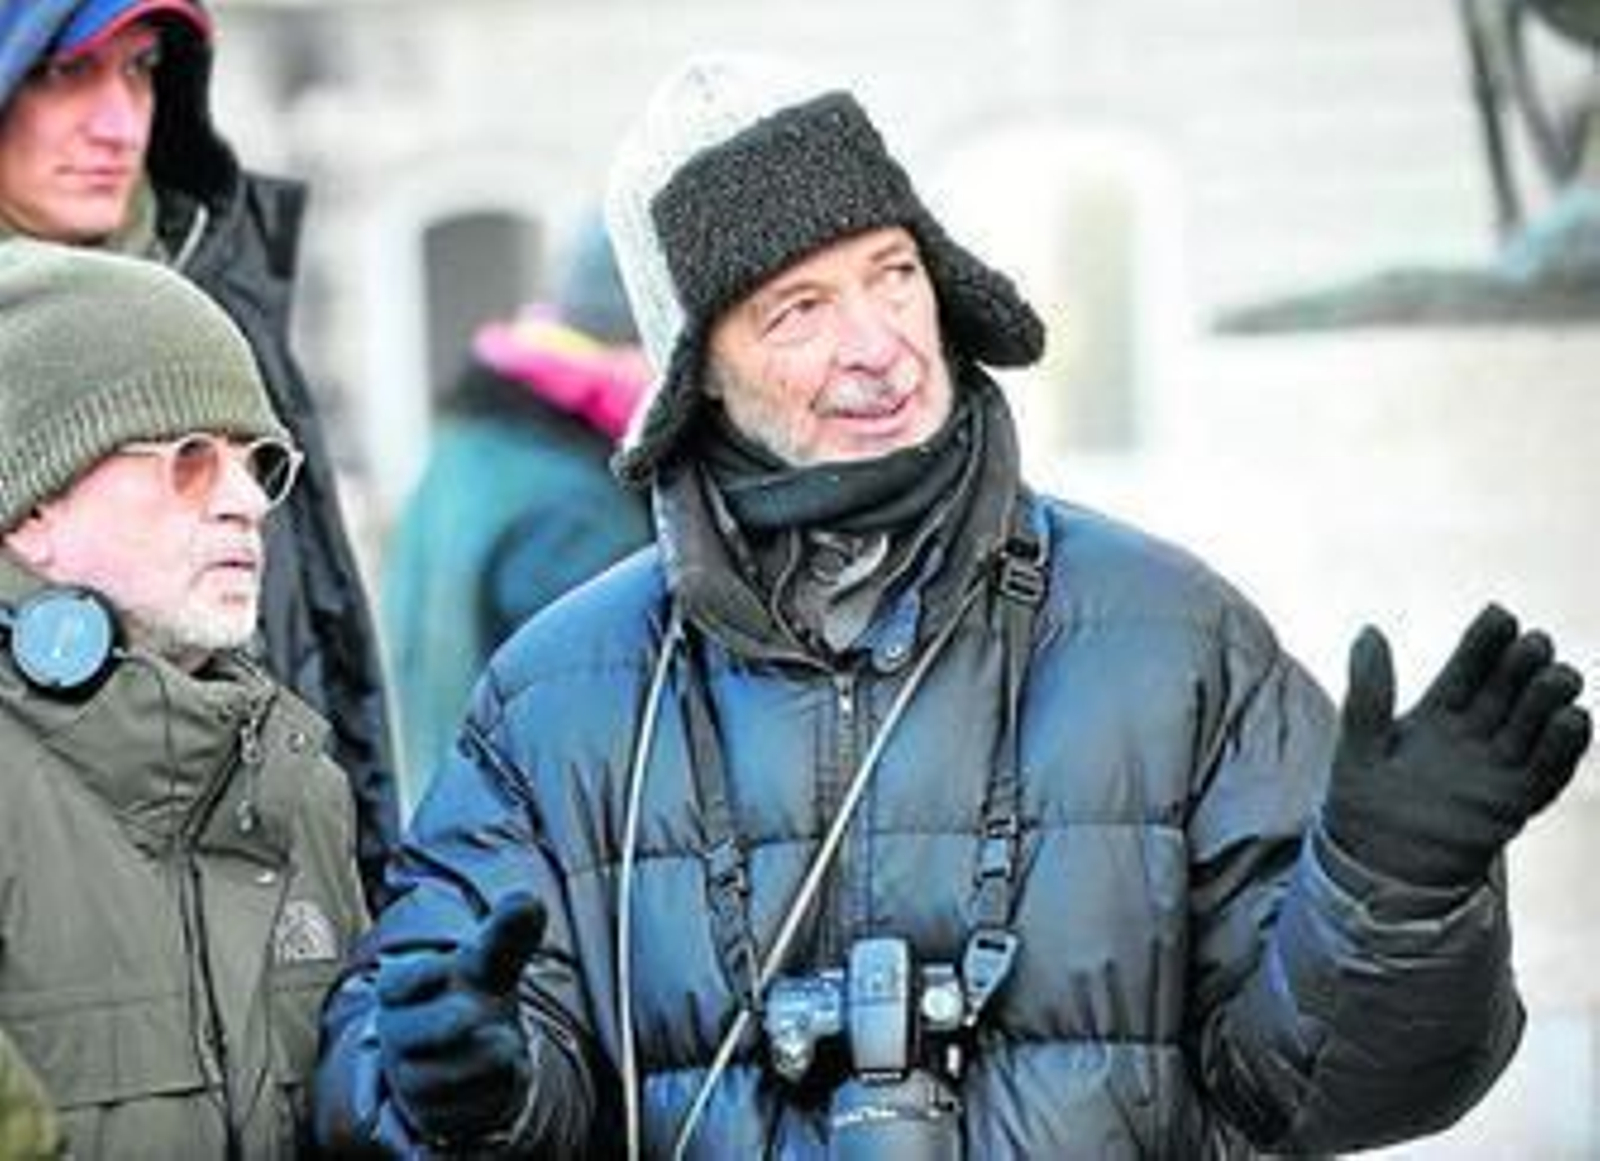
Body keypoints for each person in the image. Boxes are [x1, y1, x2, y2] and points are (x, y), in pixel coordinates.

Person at [313, 53, 1592, 1158]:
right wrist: (459, 1089)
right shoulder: (558, 697)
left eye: (892, 274)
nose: (877, 344)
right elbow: (390, 1058)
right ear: (697, 373)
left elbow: (1322, 1094)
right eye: (798, 310)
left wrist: (1393, 892)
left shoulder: (1175, 637)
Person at [0, 0, 398, 910]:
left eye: (141, 70)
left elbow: (319, 647)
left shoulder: (229, 308)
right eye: (64, 72)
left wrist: (377, 934)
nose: (117, 123)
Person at [0, 240, 369, 1157]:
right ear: (32, 511)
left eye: (258, 462)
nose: (248, 501)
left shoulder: (300, 787)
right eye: (190, 459)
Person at [381, 214, 652, 808]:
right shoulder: (578, 509)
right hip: (540, 848)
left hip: (453, 828)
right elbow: (614, 753)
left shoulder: (467, 447)